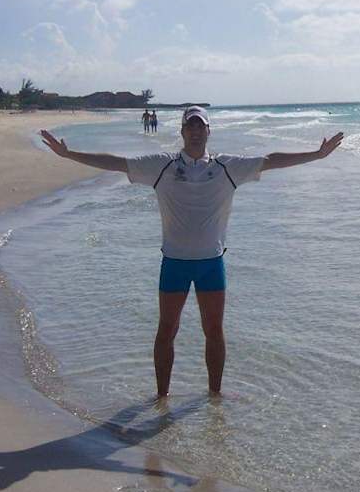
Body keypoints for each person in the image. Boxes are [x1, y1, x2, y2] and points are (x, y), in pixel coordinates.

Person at [40, 106, 343, 398]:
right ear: (182, 131)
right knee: (167, 329)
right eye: (190, 125)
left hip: (212, 264)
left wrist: (317, 155)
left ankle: (215, 395)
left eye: (201, 125)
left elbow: (269, 160)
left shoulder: (227, 167)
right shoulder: (162, 166)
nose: (196, 131)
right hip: (174, 263)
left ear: (209, 131)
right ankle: (162, 396)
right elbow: (118, 162)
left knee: (214, 330)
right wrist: (68, 154)